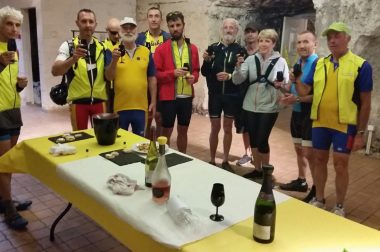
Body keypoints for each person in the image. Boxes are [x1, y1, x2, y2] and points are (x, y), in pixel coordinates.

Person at [297, 22, 372, 217]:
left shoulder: (361, 65)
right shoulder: (320, 63)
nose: (332, 40)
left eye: (337, 36)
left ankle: (339, 205)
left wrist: (360, 133)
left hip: (344, 126)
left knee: (340, 164)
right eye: (329, 37)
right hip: (320, 123)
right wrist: (294, 78)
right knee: (319, 159)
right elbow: (305, 90)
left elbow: (365, 103)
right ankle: (320, 199)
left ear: (347, 38)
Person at [232, 29, 289, 179]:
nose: (263, 44)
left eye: (267, 41)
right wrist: (238, 68)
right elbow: (237, 80)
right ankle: (257, 169)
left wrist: (281, 84)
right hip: (250, 105)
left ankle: (266, 171)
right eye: (261, 41)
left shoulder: (281, 62)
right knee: (254, 139)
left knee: (263, 139)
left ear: (274, 43)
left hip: (269, 106)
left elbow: (287, 86)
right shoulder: (250, 60)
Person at [51, 9, 111, 130]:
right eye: (84, 21)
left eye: (91, 21)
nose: (88, 25)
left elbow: (109, 76)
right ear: (77, 23)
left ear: (96, 24)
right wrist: (73, 58)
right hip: (78, 104)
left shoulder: (104, 47)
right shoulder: (68, 46)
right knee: (80, 139)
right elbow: (55, 71)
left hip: (100, 102)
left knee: (101, 138)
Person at [0, 5, 31, 229]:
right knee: (4, 164)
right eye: (9, 23)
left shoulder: (14, 49)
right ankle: (9, 210)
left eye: (17, 24)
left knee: (8, 161)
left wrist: (19, 87)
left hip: (13, 110)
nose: (13, 28)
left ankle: (4, 200)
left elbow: (7, 85)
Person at [201, 18, 246, 172]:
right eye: (225, 27)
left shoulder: (241, 51)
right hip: (215, 95)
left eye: (231, 28)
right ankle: (212, 159)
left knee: (227, 127)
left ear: (236, 31)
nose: (228, 30)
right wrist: (206, 62)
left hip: (231, 96)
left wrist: (229, 75)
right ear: (222, 30)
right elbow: (204, 72)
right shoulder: (213, 48)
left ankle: (225, 159)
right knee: (215, 128)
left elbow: (243, 75)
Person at [279, 31, 318, 202]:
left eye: (306, 42)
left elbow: (316, 96)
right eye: (299, 42)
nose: (302, 46)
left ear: (314, 43)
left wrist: (297, 95)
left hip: (310, 114)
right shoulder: (298, 63)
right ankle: (302, 181)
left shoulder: (318, 64)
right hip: (296, 112)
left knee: (310, 153)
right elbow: (292, 88)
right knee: (299, 150)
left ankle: (318, 188)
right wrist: (281, 88)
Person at [154, 11, 200, 153]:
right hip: (168, 98)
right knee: (166, 132)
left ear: (183, 25)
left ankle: (183, 158)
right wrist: (172, 74)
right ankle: (163, 159)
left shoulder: (192, 48)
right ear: (168, 27)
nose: (175, 28)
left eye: (178, 25)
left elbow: (196, 70)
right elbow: (155, 74)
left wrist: (194, 78)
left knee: (183, 131)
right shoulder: (161, 49)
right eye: (172, 26)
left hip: (186, 97)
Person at [105, 17, 156, 136]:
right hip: (120, 107)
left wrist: (153, 101)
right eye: (125, 28)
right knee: (119, 143)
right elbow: (109, 77)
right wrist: (114, 60)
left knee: (139, 143)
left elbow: (152, 78)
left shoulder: (146, 52)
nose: (128, 31)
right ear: (120, 31)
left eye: (131, 28)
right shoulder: (111, 51)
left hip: (141, 107)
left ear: (136, 31)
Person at [136, 6, 171, 138]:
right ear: (147, 19)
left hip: (162, 83)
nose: (154, 19)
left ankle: (159, 145)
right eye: (151, 16)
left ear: (161, 19)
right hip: (145, 82)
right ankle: (146, 144)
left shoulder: (168, 38)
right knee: (148, 116)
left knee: (160, 117)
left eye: (156, 16)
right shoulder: (140, 38)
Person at [235, 22, 259, 167]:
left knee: (256, 125)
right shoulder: (241, 52)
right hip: (241, 93)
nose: (250, 34)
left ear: (258, 34)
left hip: (256, 94)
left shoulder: (262, 52)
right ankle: (248, 153)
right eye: (247, 32)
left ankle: (257, 153)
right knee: (244, 125)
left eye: (253, 31)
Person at [103, 18, 121, 112]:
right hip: (105, 87)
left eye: (119, 32)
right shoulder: (101, 46)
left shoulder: (123, 46)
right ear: (107, 30)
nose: (117, 36)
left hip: (120, 86)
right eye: (114, 33)